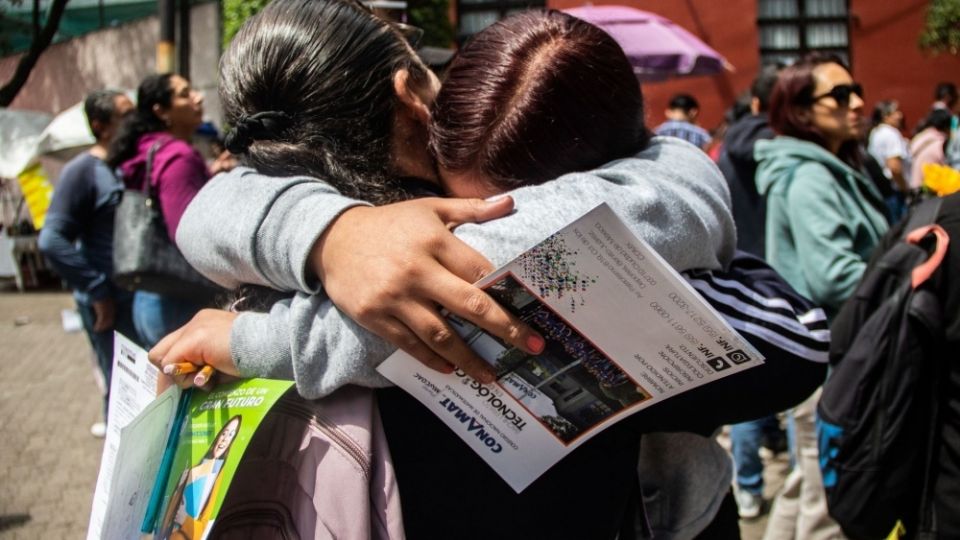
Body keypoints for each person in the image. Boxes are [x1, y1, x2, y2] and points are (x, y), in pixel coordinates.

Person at [161, 4, 737, 538]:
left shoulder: (261, 252)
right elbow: (672, 190)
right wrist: (334, 236)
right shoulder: (491, 227)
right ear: (410, 94)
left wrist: (271, 318)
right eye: (426, 63)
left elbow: (207, 211)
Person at [755, 54, 889, 540]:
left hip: (826, 356)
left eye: (856, 89)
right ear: (802, 111)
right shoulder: (811, 176)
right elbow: (832, 275)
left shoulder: (827, 167)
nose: (856, 103)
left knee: (806, 480)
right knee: (830, 503)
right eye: (839, 95)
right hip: (838, 360)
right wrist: (909, 284)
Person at [38, 89, 138, 437]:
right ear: (101, 126)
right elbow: (51, 240)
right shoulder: (82, 171)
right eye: (126, 115)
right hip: (108, 303)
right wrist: (96, 289)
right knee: (122, 389)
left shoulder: (126, 166)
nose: (135, 121)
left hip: (134, 299)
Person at [106, 73, 213, 348]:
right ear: (161, 111)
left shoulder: (148, 149)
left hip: (149, 294)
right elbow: (186, 232)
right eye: (184, 94)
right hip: (179, 300)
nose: (197, 98)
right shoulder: (177, 155)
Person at [158, 415, 241, 540]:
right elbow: (170, 506)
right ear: (218, 434)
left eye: (231, 435)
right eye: (224, 433)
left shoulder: (220, 475)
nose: (225, 440)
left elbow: (205, 522)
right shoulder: (194, 467)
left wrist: (185, 520)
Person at [867, 99, 910, 194]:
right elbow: (894, 167)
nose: (900, 115)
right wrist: (905, 190)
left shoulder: (876, 132)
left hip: (881, 188)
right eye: (896, 112)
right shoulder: (891, 133)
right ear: (885, 116)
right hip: (894, 190)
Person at [910, 108, 954, 189]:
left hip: (916, 185)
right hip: (930, 189)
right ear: (946, 125)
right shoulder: (940, 142)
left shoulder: (921, 137)